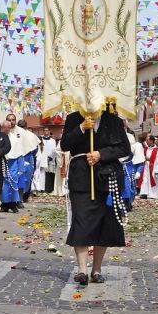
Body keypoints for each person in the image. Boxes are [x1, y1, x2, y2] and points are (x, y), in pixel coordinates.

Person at [60, 108, 131, 286]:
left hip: (107, 177)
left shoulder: (113, 120)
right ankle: (82, 269)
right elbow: (65, 145)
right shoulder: (73, 118)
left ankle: (96, 269)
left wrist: (101, 154)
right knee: (82, 220)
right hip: (81, 178)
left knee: (103, 223)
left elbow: (124, 148)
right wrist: (82, 128)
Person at [1, 116, 39, 212]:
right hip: (3, 162)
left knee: (15, 182)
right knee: (5, 184)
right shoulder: (0, 136)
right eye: (9, 121)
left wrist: (21, 165)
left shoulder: (18, 135)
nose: (11, 123)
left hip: (16, 161)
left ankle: (15, 203)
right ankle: (4, 204)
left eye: (13, 120)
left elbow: (24, 149)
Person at [138, 133, 158, 199]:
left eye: (147, 140)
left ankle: (153, 195)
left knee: (154, 182)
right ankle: (144, 193)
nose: (146, 142)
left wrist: (149, 159)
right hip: (146, 168)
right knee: (145, 180)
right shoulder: (145, 149)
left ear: (152, 141)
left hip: (154, 169)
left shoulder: (157, 150)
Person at [17, 120, 38, 202]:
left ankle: (25, 196)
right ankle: (16, 198)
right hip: (16, 157)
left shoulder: (31, 135)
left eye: (23, 127)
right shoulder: (14, 134)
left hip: (28, 158)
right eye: (20, 126)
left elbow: (35, 149)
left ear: (26, 127)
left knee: (27, 178)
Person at [40, 127, 58, 194]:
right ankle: (42, 188)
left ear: (49, 131)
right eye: (44, 130)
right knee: (42, 174)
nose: (46, 132)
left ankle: (49, 188)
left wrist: (50, 157)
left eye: (47, 130)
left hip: (50, 159)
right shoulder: (41, 140)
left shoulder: (53, 141)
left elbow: (54, 150)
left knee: (50, 174)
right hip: (42, 159)